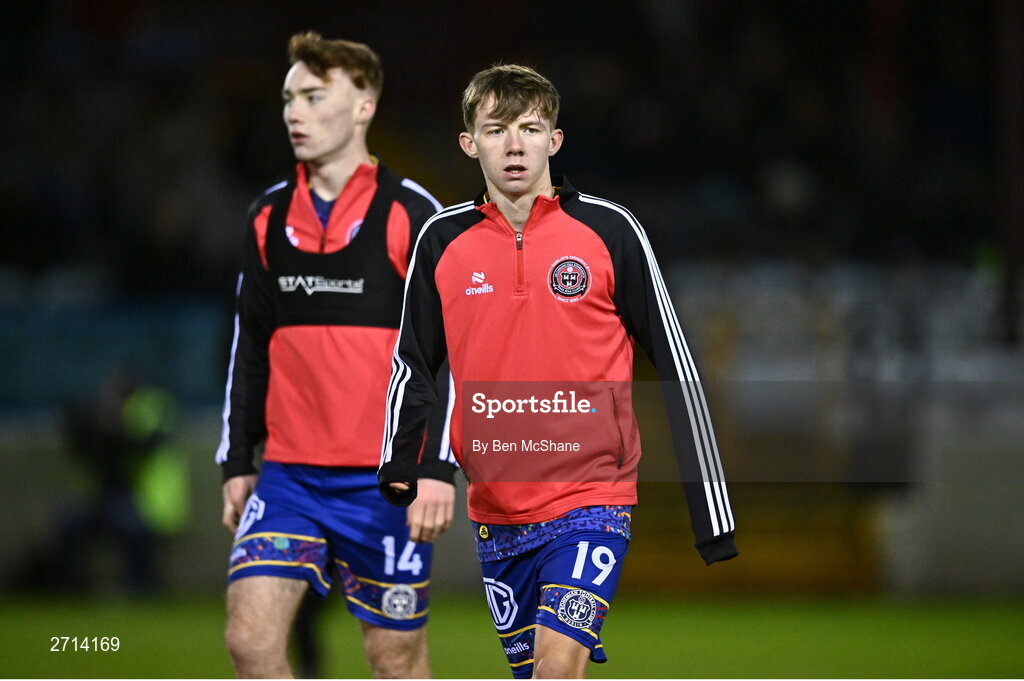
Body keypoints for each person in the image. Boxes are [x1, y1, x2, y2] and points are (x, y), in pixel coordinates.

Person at [378, 65, 737, 678]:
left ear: (555, 139)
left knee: (557, 668)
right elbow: (414, 364)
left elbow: (676, 361)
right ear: (470, 144)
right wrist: (403, 467)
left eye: (529, 128)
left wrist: (711, 511)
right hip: (495, 512)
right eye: (496, 130)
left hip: (592, 498)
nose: (514, 145)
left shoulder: (610, 231)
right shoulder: (441, 241)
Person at [215, 32, 456, 679]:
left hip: (383, 483)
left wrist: (435, 465)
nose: (294, 111)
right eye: (289, 97)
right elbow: (250, 346)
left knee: (394, 658)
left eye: (314, 96)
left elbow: (449, 356)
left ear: (363, 106)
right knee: (249, 640)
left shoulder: (412, 212)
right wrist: (239, 457)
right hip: (289, 477)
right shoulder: (267, 216)